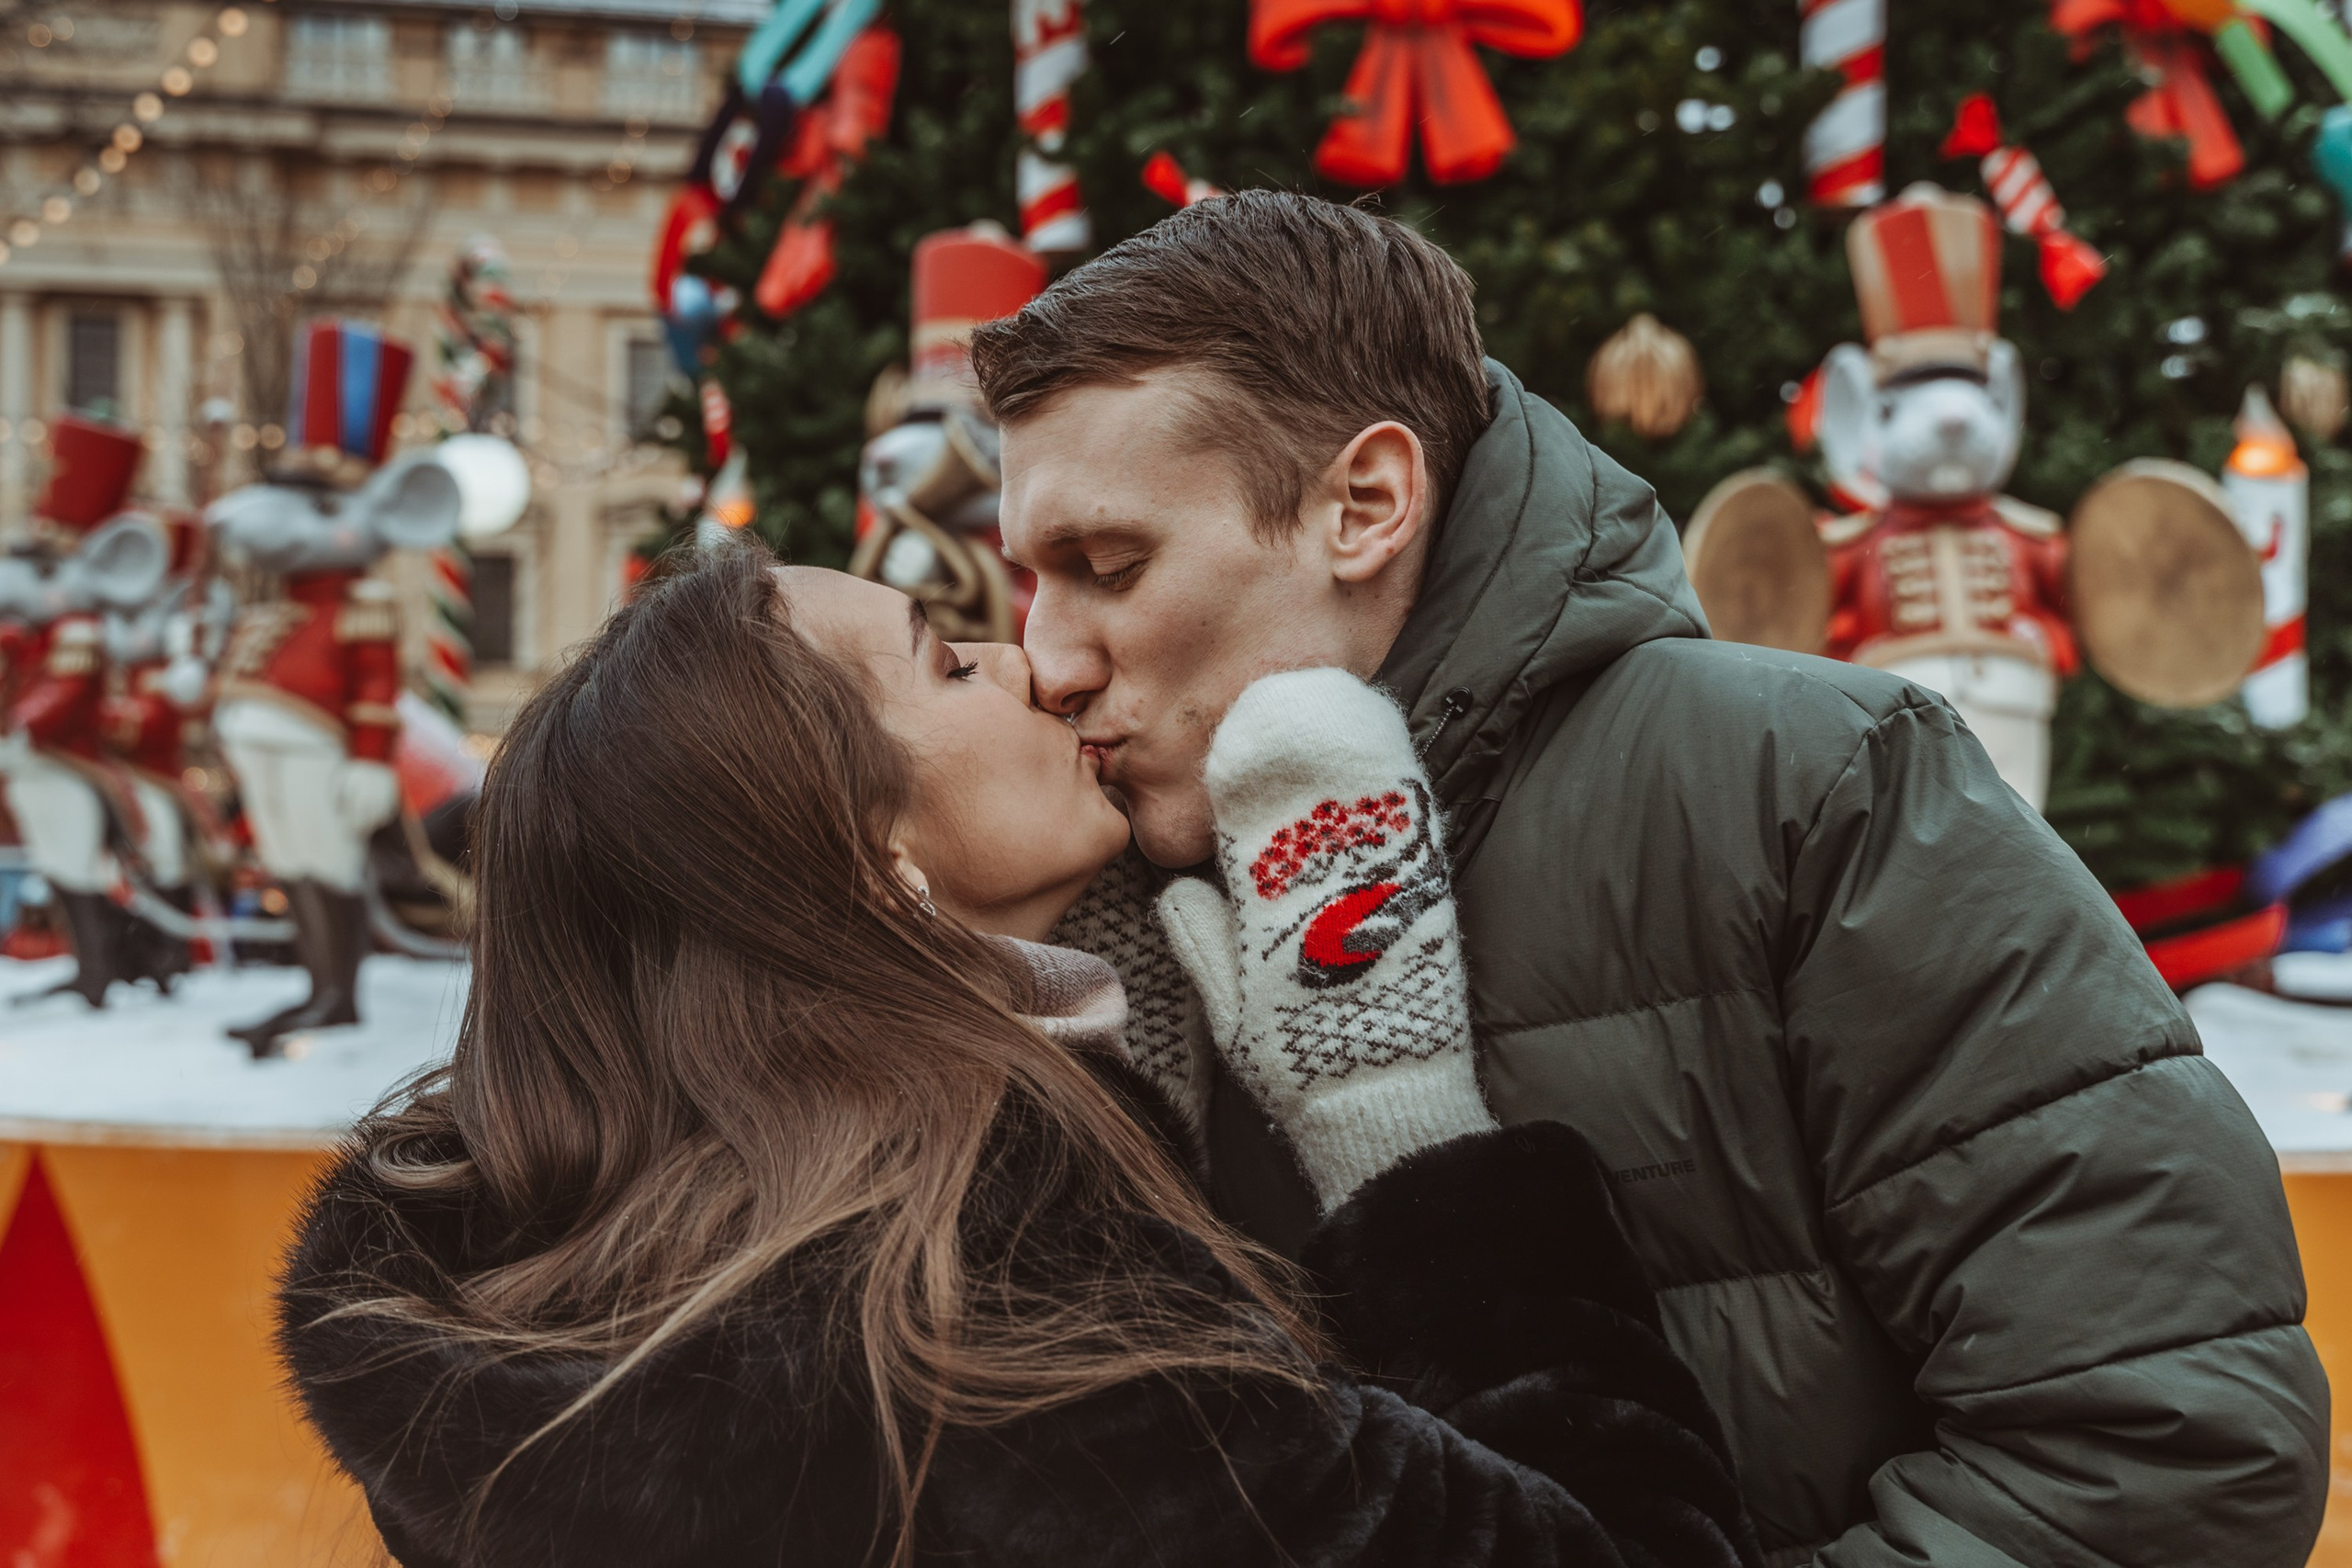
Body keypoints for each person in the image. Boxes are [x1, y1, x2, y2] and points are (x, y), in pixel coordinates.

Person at [973, 191, 2330, 1567]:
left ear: (1364, 504)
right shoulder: (1098, 890)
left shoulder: (1806, 785)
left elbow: (2163, 1442)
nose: (1050, 655)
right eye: (1028, 580)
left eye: (1107, 566)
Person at [277, 540, 1758, 1568]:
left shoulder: (546, 1324)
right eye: (945, 660)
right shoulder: (1021, 1355)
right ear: (868, 867)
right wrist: (1394, 1104)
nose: (1036, 660)